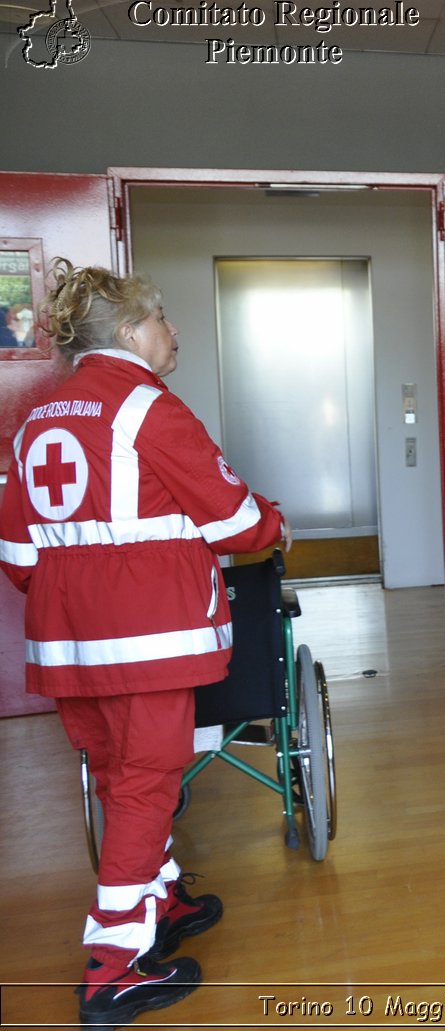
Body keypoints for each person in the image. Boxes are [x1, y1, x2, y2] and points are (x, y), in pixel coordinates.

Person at [0, 259, 289, 1029]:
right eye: (163, 318)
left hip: (67, 643)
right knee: (147, 781)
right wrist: (275, 520)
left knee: (116, 775)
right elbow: (234, 522)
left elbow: (19, 558)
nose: (175, 332)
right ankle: (112, 967)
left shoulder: (37, 421)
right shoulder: (148, 409)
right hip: (147, 637)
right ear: (131, 332)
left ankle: (158, 896)